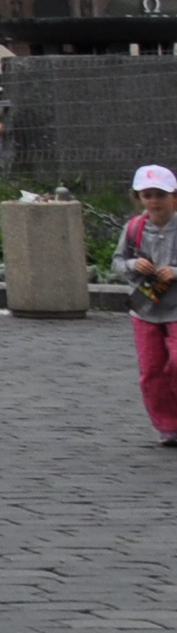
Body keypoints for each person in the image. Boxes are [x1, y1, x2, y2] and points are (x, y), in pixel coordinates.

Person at [120, 168, 177, 445]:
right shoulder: (134, 228)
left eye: (161, 195)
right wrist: (133, 264)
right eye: (148, 195)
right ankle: (167, 425)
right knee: (151, 370)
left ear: (174, 197)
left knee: (176, 363)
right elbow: (119, 261)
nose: (155, 201)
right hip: (146, 308)